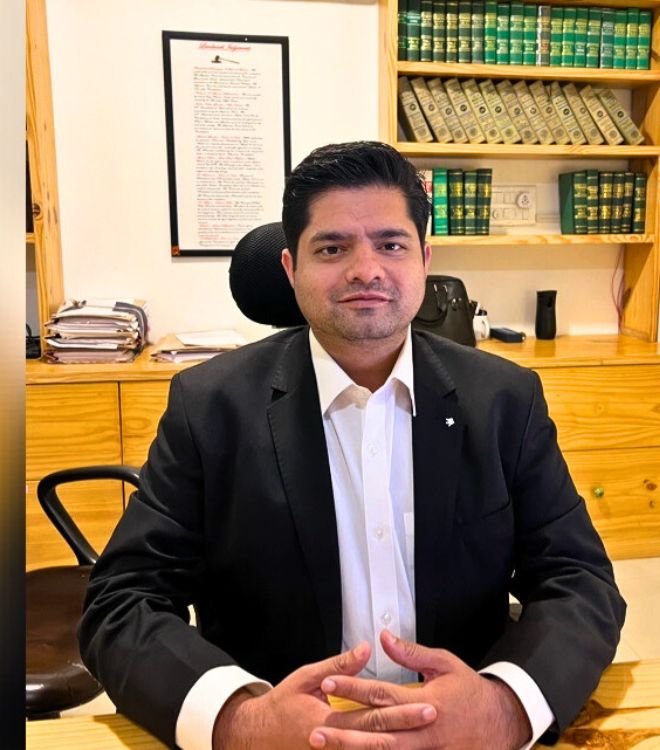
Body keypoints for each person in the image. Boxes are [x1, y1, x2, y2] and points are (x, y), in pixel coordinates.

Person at [79, 141, 625, 750]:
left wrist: (503, 709)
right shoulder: (210, 407)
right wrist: (240, 720)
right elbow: (122, 604)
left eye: (391, 245)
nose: (366, 270)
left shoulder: (503, 401)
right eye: (332, 248)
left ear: (424, 259)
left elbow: (580, 582)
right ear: (291, 268)